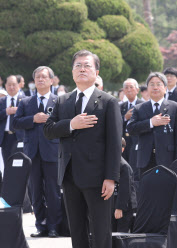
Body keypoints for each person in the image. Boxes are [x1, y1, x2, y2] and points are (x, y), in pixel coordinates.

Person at [43, 50, 123, 248]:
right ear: (72, 72)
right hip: (69, 176)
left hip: (98, 178)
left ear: (96, 72)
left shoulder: (108, 102)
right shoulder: (61, 101)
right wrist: (72, 124)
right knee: (76, 230)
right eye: (77, 66)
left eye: (87, 65)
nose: (82, 69)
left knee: (100, 230)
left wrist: (111, 178)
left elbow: (114, 143)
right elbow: (48, 130)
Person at [13, 66, 62, 238]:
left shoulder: (59, 101)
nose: (40, 79)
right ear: (34, 82)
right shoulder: (26, 102)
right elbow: (16, 123)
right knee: (35, 191)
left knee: (53, 191)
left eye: (44, 77)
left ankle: (54, 226)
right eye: (37, 77)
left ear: (51, 80)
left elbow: (65, 125)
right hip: (32, 153)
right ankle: (41, 225)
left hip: (52, 151)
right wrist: (32, 119)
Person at [127, 72, 177, 175]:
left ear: (165, 88)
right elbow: (131, 129)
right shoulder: (139, 108)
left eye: (159, 84)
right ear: (147, 88)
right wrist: (150, 122)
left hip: (168, 159)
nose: (155, 87)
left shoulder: (175, 107)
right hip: (145, 160)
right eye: (152, 84)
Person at [119, 78, 143, 180]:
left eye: (131, 87)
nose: (129, 90)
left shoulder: (143, 105)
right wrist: (125, 117)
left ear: (137, 90)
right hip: (124, 142)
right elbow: (115, 123)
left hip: (137, 141)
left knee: (135, 170)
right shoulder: (120, 106)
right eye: (126, 88)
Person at [113, 138, 137, 232]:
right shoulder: (112, 164)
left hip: (125, 208)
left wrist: (120, 208)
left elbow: (125, 189)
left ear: (122, 149)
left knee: (121, 233)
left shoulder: (124, 166)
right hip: (115, 205)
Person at [0, 75, 25, 165]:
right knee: (7, 163)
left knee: (20, 164)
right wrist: (6, 112)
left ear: (19, 85)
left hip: (20, 137)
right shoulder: (1, 101)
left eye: (14, 84)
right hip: (5, 137)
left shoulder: (25, 101)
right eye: (9, 85)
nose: (11, 87)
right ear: (5, 86)